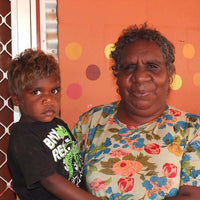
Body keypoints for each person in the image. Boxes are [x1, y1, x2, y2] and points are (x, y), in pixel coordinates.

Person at [72, 23, 200, 200]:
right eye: (129, 67)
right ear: (117, 75)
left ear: (169, 74)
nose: (140, 76)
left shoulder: (192, 129)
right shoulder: (91, 122)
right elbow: (67, 184)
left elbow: (192, 196)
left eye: (152, 66)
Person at [7, 49, 100, 200]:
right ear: (17, 100)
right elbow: (50, 181)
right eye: (36, 92)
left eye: (54, 91)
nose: (48, 100)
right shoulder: (23, 137)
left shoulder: (58, 124)